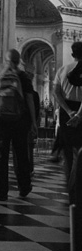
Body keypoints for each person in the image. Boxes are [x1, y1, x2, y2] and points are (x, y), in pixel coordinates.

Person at [0, 49, 38, 202]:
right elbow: (29, 99)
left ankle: (1, 193)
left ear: (5, 60)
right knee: (21, 154)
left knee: (0, 155)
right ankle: (24, 188)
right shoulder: (23, 76)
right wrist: (34, 122)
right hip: (19, 120)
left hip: (0, 120)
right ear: (19, 61)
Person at [53, 41, 82, 204]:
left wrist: (68, 111)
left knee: (69, 154)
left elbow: (56, 93)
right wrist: (78, 114)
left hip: (67, 112)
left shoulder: (63, 70)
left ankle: (72, 193)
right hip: (80, 111)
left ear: (73, 54)